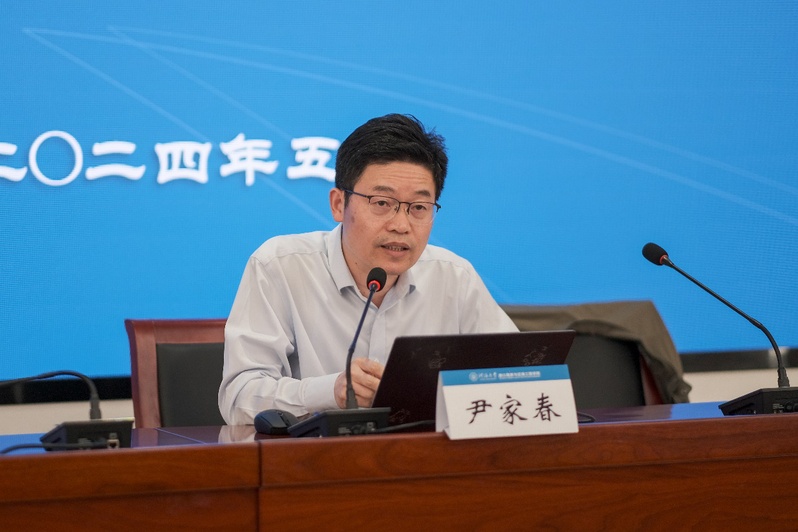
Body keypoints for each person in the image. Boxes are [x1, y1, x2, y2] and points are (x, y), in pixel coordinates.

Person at [218, 113, 518, 425]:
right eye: (382, 203)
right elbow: (239, 397)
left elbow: (518, 378)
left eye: (418, 207)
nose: (401, 225)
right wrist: (330, 392)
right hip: (317, 454)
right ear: (339, 204)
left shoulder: (454, 277)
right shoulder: (280, 266)